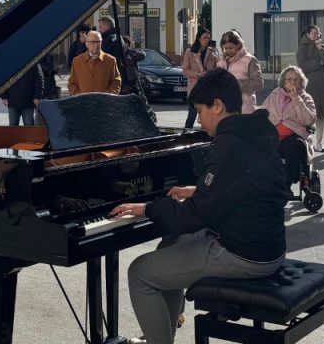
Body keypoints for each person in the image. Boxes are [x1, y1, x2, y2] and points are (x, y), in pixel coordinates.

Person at [110, 69, 286, 344]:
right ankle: (164, 335)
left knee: (140, 273)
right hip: (268, 246)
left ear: (217, 105)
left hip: (242, 253)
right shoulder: (254, 134)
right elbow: (249, 184)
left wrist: (148, 208)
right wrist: (200, 190)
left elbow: (193, 216)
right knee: (168, 246)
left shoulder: (228, 145)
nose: (199, 120)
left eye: (200, 111)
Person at [261, 66, 317, 188]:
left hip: (294, 135)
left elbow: (308, 120)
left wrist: (296, 98)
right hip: (273, 134)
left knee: (295, 146)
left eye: (296, 79)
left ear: (301, 82)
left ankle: (286, 184)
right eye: (289, 79)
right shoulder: (274, 95)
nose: (292, 82)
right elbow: (262, 113)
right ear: (283, 81)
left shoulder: (306, 98)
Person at [296, 25, 324, 152]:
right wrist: (319, 63)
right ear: (308, 34)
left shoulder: (323, 47)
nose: (316, 35)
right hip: (308, 85)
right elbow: (302, 66)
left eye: (318, 33)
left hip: (323, 85)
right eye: (314, 33)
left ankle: (319, 143)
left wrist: (320, 49)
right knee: (307, 114)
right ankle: (305, 141)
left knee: (321, 115)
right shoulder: (302, 48)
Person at [181, 29, 219, 129]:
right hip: (195, 89)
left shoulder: (212, 52)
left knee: (206, 117)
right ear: (199, 38)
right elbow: (185, 70)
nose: (206, 40)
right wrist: (198, 75)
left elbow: (217, 69)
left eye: (208, 38)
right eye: (204, 38)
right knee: (191, 116)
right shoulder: (190, 52)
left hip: (208, 89)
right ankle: (186, 135)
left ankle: (205, 135)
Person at [218, 29, 263, 114]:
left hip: (244, 108)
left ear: (238, 45)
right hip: (226, 107)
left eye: (231, 48)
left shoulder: (250, 60)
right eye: (225, 48)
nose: (228, 51)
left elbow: (258, 83)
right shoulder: (222, 61)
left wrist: (236, 84)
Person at [67, 31, 122, 95]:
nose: (96, 45)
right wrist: (79, 96)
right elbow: (72, 83)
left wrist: (109, 96)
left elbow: (116, 81)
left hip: (104, 100)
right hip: (83, 100)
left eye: (98, 42)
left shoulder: (110, 60)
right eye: (93, 42)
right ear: (86, 44)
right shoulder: (77, 61)